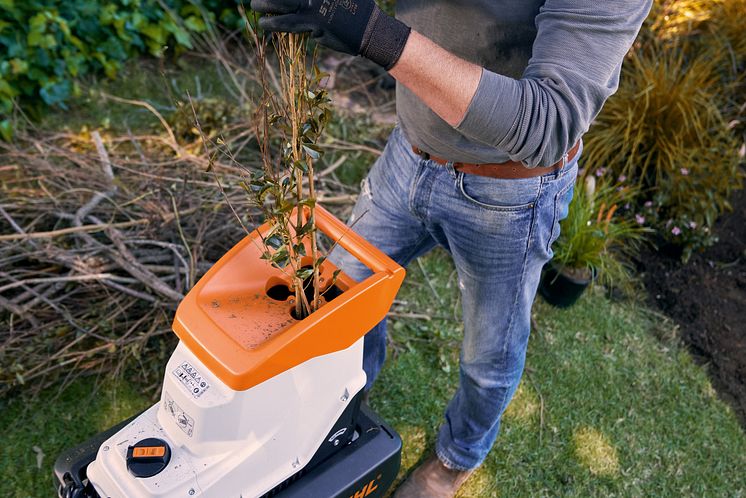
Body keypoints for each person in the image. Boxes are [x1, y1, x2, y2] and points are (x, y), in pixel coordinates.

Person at [250, 1, 652, 496]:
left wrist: (370, 31)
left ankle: (454, 462)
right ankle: (336, 410)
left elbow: (548, 122)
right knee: (339, 302)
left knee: (488, 358)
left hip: (508, 193)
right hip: (409, 152)